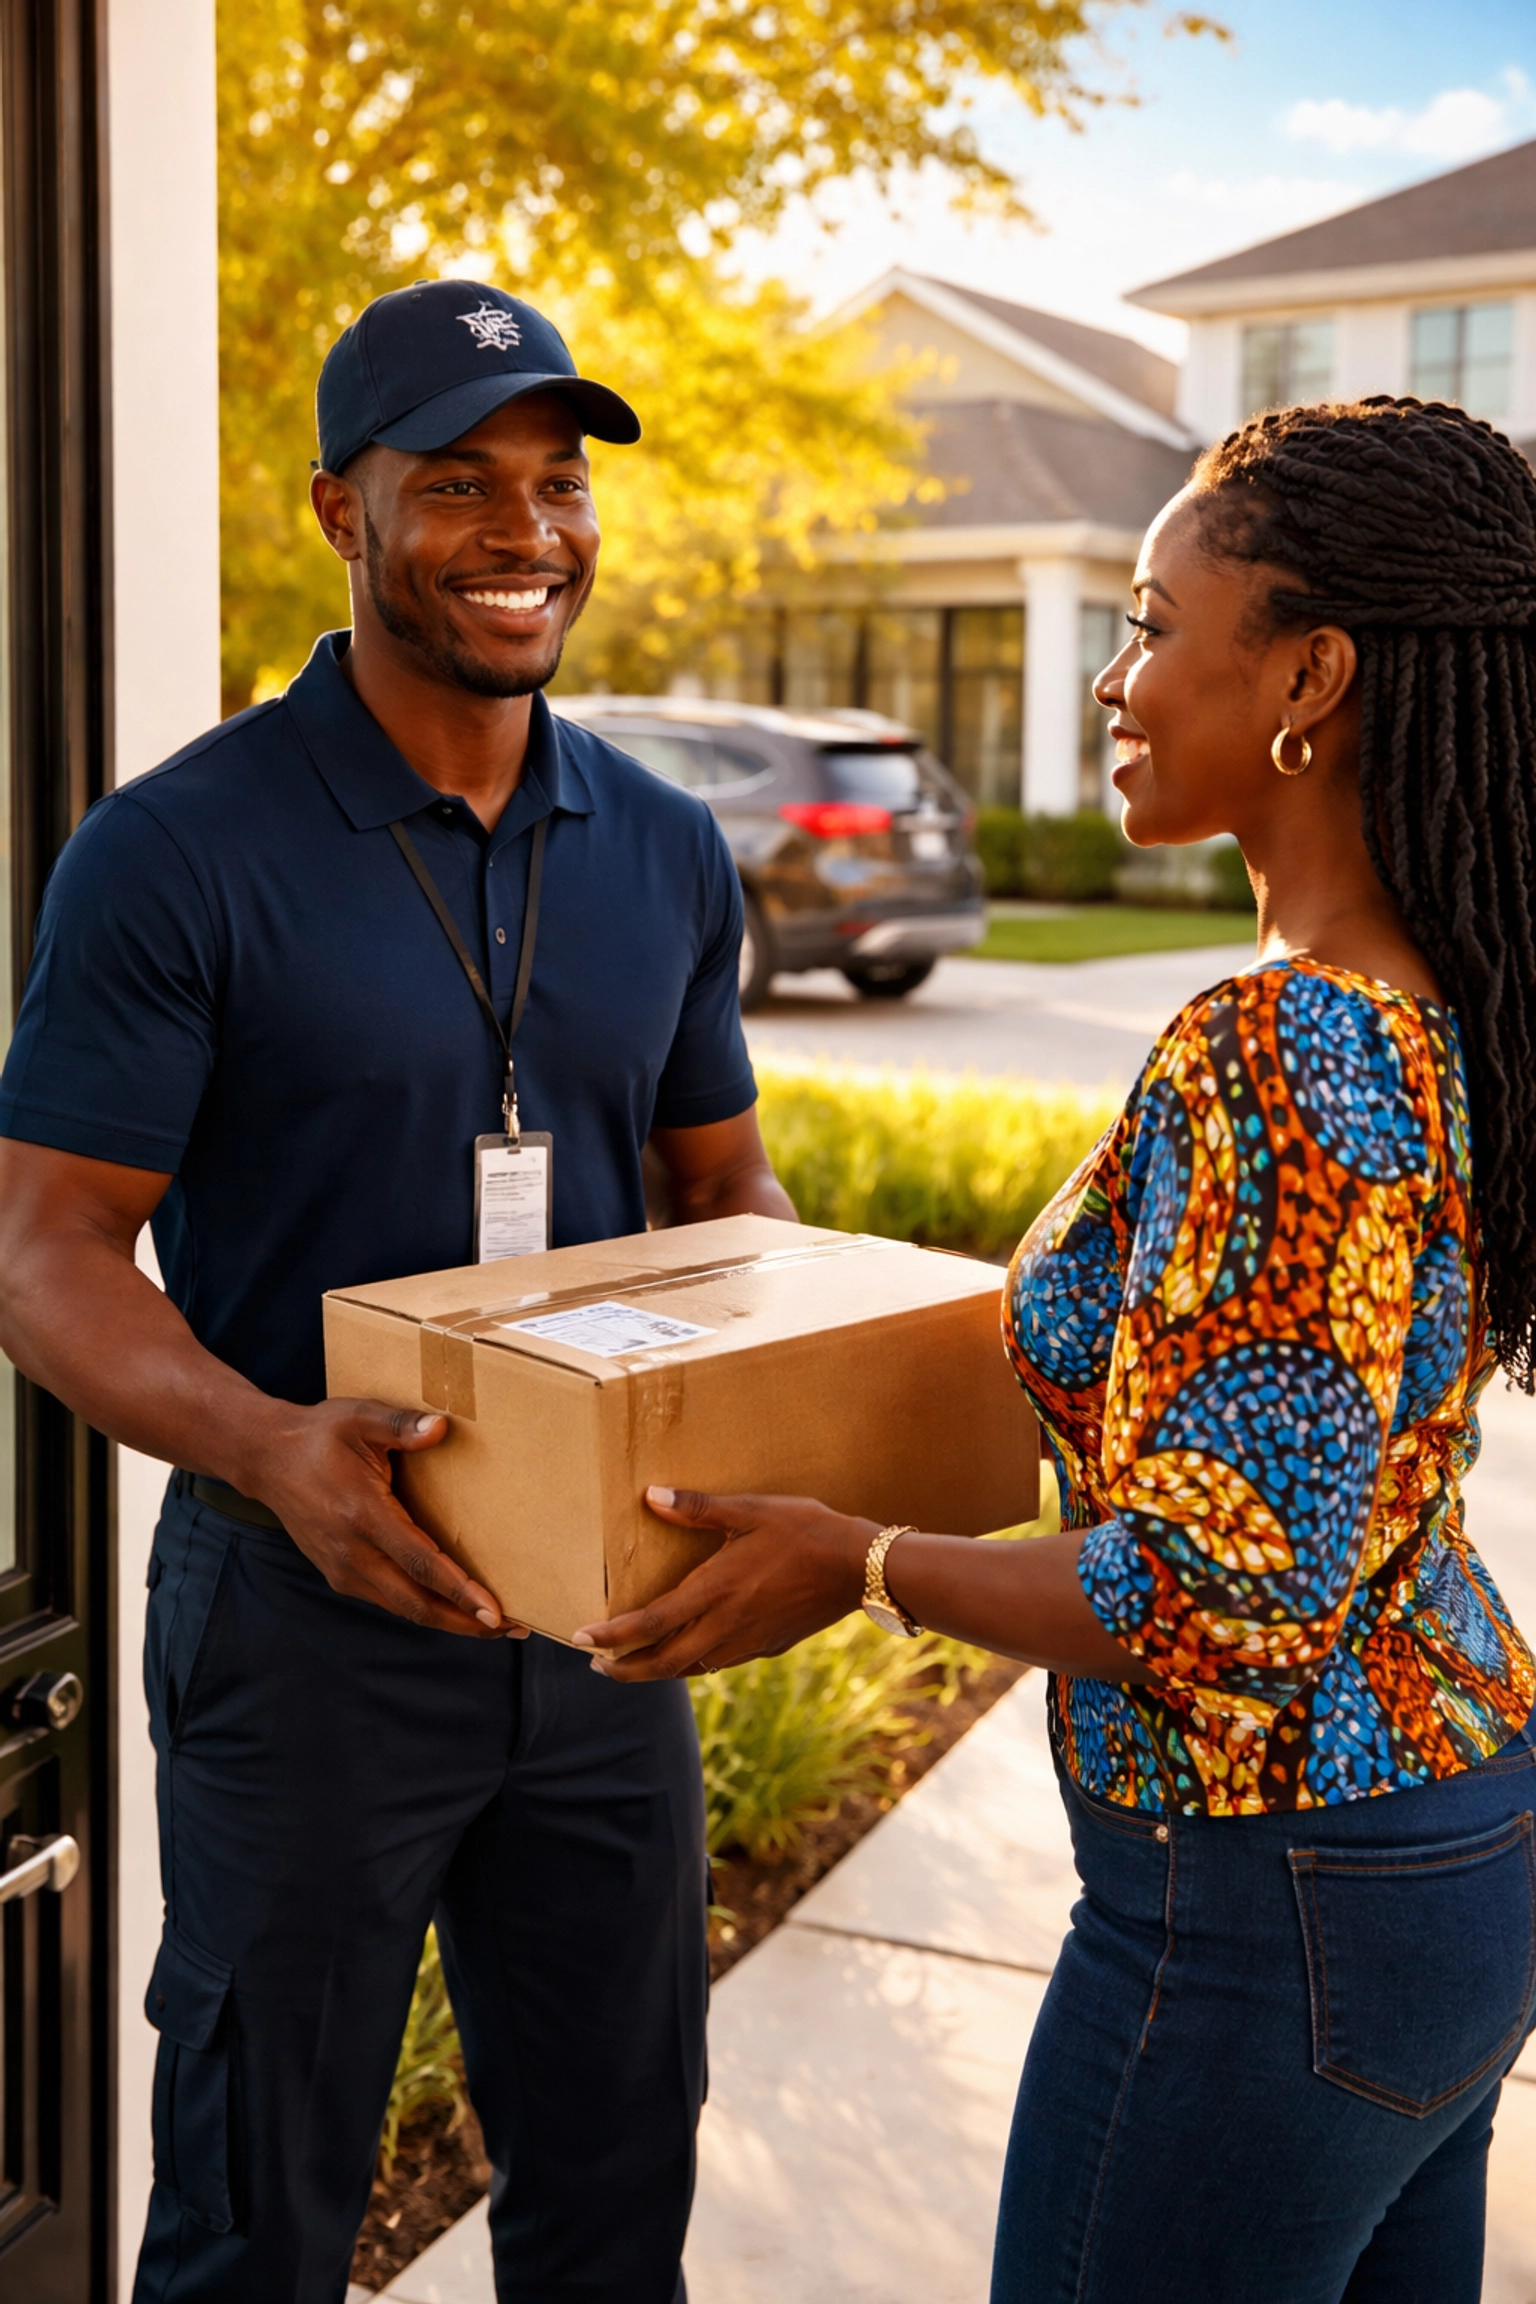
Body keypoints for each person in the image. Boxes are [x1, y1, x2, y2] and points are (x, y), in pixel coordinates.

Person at [573, 396, 1536, 2304]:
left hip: (1264, 1899)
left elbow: (1219, 1591)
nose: (1114, 677)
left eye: (1155, 624)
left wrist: (850, 1565)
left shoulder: (1278, 1049)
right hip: (1443, 1836)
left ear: (1311, 676)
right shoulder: (1444, 1004)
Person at [0, 280, 795, 2303]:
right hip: (305, 1617)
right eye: (459, 482)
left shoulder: (669, 851)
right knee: (257, 2218)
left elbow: (727, 1195)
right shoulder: (175, 853)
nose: (527, 527)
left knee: (616, 2196)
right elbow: (46, 1248)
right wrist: (271, 1444)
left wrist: (764, 1466)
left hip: (604, 1630)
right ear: (340, 517)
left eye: (556, 480)